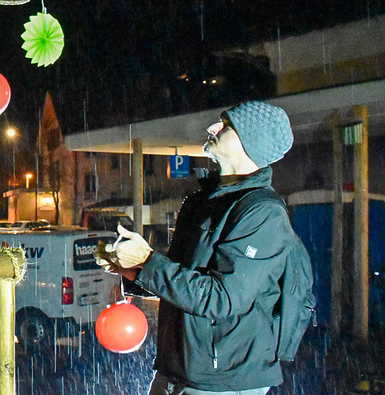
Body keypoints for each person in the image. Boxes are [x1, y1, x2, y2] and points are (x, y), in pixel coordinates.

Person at [99, 100, 296, 395]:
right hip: (176, 370)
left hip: (222, 382)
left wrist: (149, 261)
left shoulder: (263, 213)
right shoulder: (201, 202)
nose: (212, 128)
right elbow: (186, 280)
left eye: (227, 125)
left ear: (251, 142)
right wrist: (134, 270)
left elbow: (221, 299)